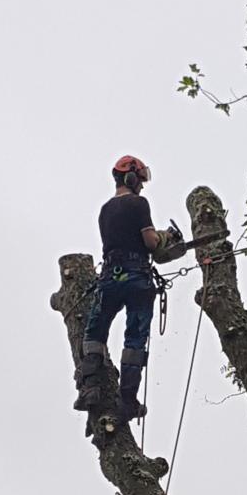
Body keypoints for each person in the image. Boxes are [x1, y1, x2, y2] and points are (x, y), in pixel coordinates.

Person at [74, 155, 186, 418]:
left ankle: (89, 387)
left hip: (110, 278)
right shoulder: (138, 203)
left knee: (95, 332)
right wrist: (164, 237)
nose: (142, 186)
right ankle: (127, 401)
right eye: (140, 181)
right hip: (137, 278)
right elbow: (148, 242)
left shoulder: (104, 210)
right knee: (134, 339)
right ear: (132, 178)